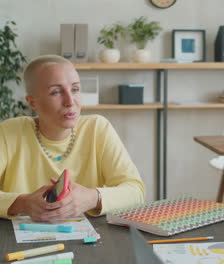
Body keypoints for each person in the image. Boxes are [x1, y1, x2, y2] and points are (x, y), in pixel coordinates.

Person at [0, 55, 145, 222]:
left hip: (89, 241)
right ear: (33, 103)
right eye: (56, 92)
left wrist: (92, 197)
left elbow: (136, 191)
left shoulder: (97, 128)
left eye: (75, 89)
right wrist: (22, 203)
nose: (70, 101)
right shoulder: (9, 132)